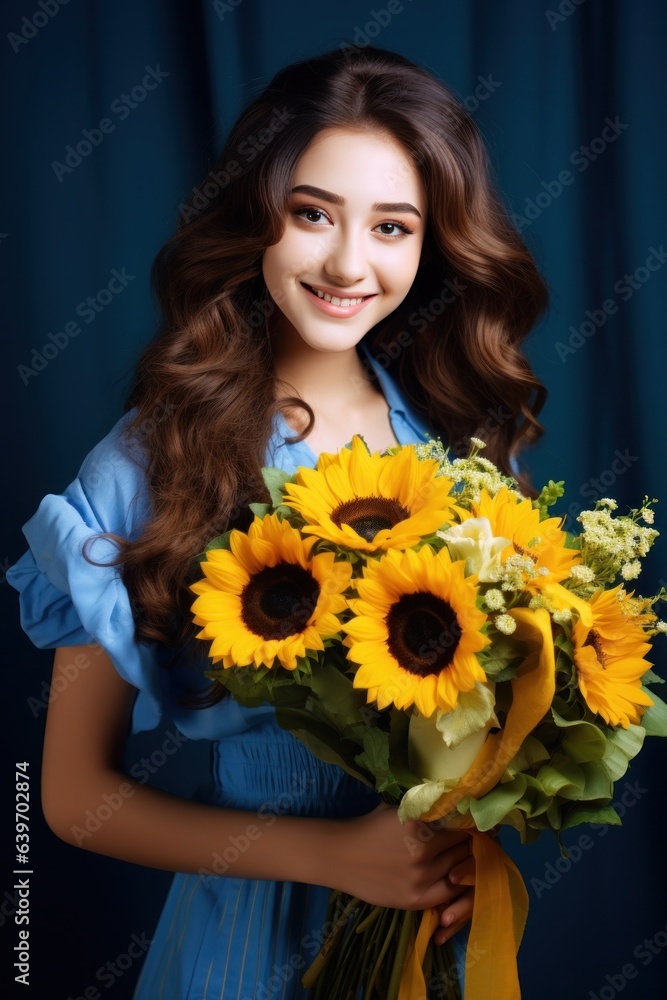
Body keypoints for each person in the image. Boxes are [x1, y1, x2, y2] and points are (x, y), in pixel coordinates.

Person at [8, 46, 548, 1000]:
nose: (347, 262)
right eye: (312, 214)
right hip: (241, 950)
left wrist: (456, 852)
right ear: (253, 215)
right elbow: (70, 801)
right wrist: (335, 856)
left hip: (428, 952)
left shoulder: (461, 450)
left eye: (391, 226)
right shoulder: (148, 464)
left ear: (432, 245)